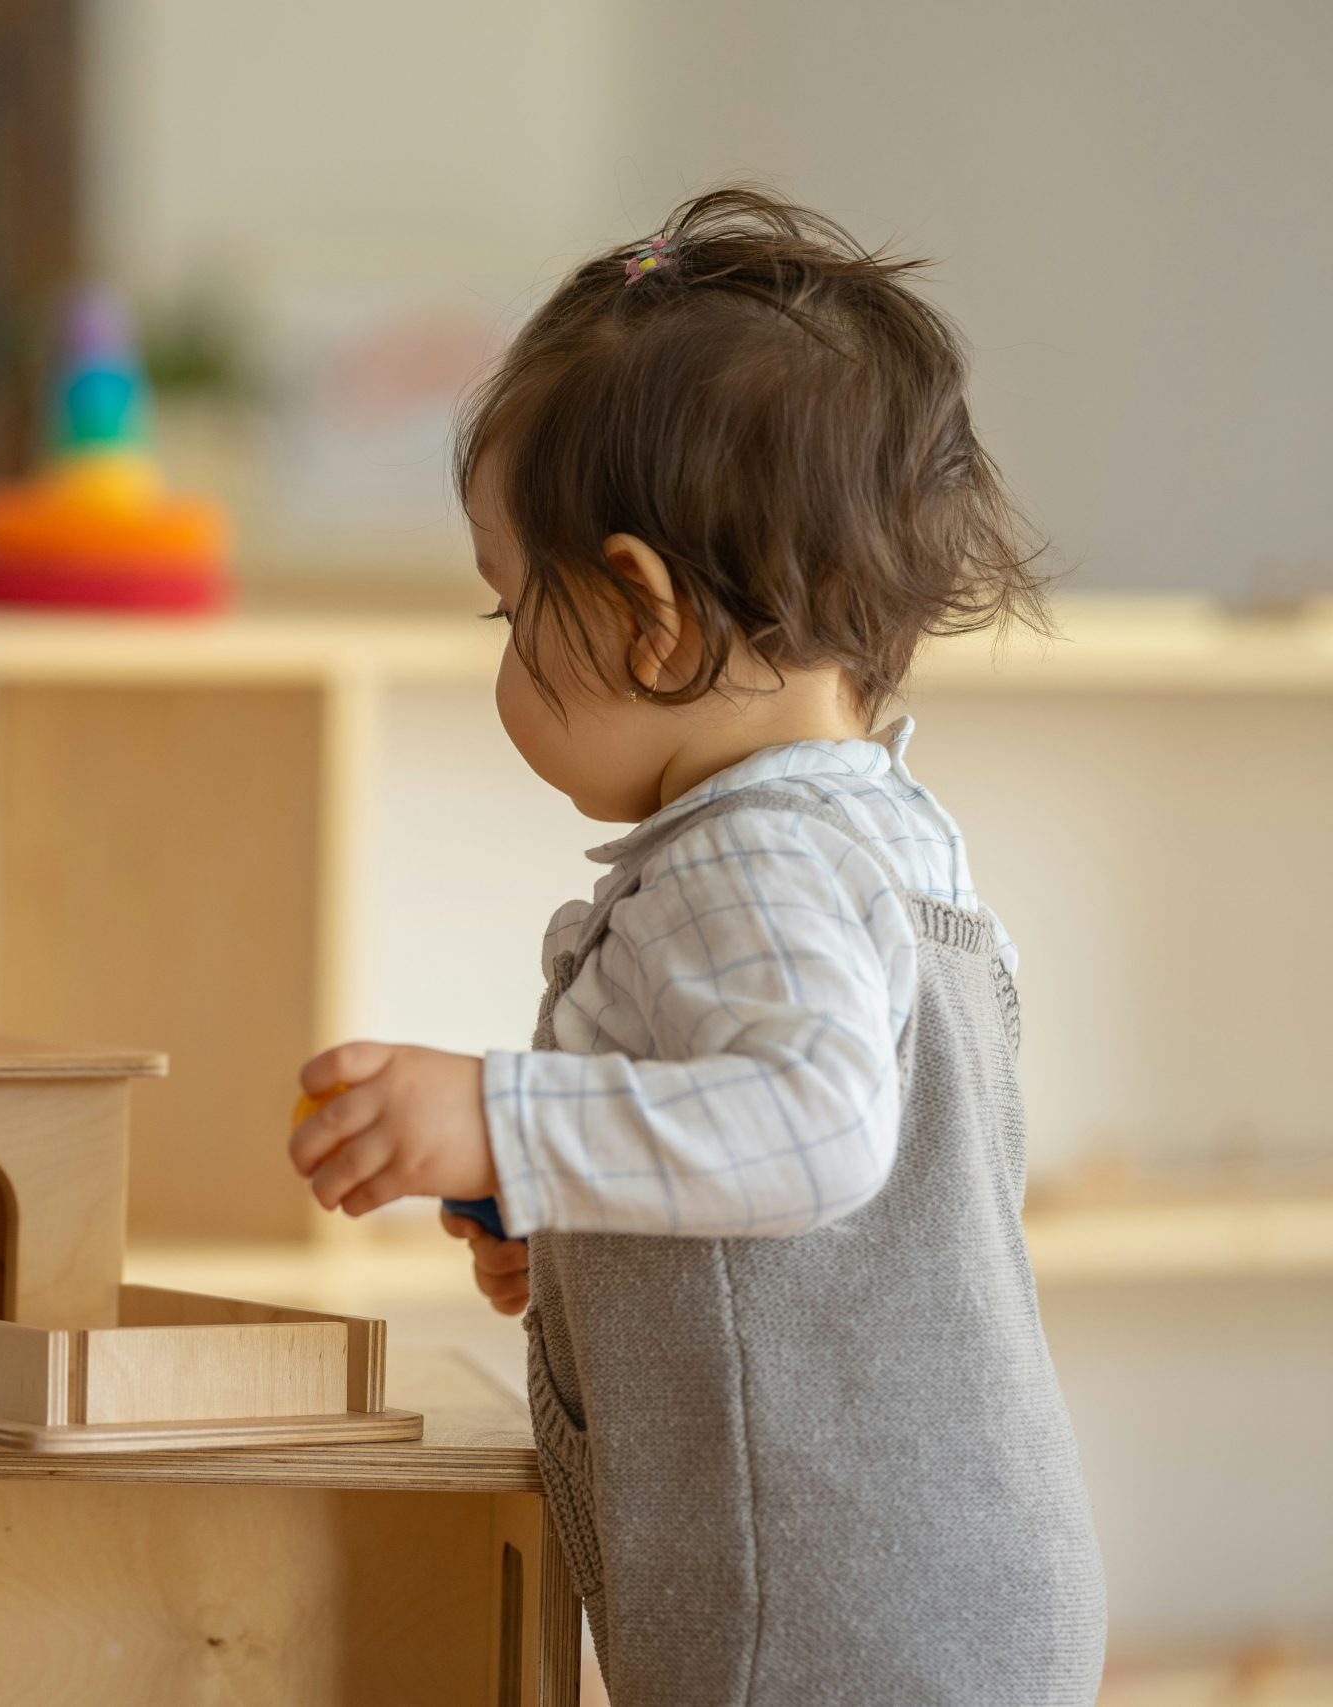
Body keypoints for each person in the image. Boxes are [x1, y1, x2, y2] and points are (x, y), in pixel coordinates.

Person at [284, 188, 1105, 1704]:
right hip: (927, 1588)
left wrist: (501, 1115)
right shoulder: (877, 831)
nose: (503, 654)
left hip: (832, 1622)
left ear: (649, 620)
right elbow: (822, 1227)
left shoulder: (758, 862)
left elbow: (819, 1130)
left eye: (509, 607)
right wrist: (576, 1221)